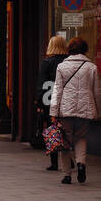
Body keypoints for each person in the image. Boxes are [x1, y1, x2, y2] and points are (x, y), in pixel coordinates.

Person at [51, 37, 101, 185]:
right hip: (85, 109)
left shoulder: (61, 67)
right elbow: (97, 92)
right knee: (80, 138)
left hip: (65, 109)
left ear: (70, 49)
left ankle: (67, 175)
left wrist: (53, 112)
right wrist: (98, 111)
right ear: (85, 49)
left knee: (64, 141)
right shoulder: (91, 67)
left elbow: (57, 90)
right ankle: (81, 164)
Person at [39, 35, 69, 170]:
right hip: (67, 98)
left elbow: (43, 84)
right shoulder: (68, 61)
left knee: (53, 128)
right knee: (65, 129)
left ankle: (54, 162)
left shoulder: (47, 62)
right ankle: (69, 158)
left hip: (50, 99)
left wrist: (39, 102)